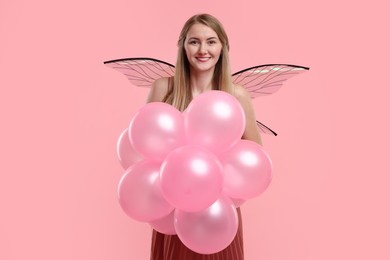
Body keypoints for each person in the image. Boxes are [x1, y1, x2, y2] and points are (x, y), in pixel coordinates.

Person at [147, 13, 261, 260]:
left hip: (217, 214)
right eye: (194, 41)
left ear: (222, 47)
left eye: (211, 41)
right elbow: (143, 150)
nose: (203, 49)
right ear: (183, 46)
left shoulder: (237, 95)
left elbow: (254, 159)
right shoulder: (163, 89)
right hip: (172, 213)